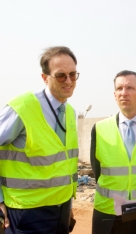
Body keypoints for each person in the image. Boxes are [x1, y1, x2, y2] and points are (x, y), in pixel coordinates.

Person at [0, 46, 79, 234]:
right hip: (26, 213)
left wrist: (67, 205)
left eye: (73, 74)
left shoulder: (69, 112)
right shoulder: (22, 108)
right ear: (45, 77)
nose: (68, 81)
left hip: (61, 209)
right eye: (61, 75)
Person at [91, 70, 136, 234]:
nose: (123, 93)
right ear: (114, 94)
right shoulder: (99, 128)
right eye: (119, 88)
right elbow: (97, 170)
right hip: (108, 214)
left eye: (130, 88)